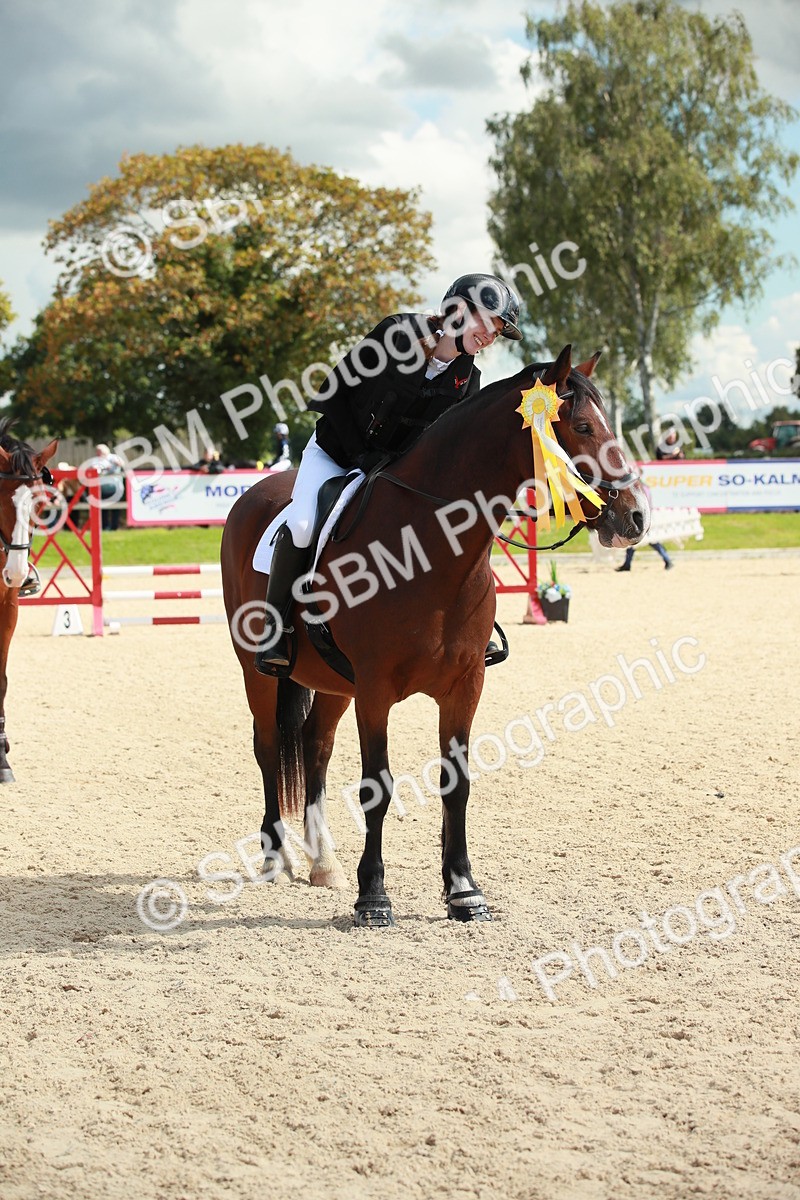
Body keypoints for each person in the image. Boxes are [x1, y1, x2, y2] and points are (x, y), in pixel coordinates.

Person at [254, 273, 522, 675]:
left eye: (497, 332)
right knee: (305, 524)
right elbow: (333, 393)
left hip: (393, 472)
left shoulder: (470, 381)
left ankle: (468, 627)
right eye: (487, 323)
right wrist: (361, 454)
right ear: (458, 310)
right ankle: (274, 629)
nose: (490, 336)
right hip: (336, 453)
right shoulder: (396, 334)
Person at [92, 443, 126, 532]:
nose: (98, 453)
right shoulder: (96, 460)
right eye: (97, 451)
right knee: (103, 508)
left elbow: (122, 464)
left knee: (115, 508)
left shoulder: (113, 457)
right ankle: (105, 526)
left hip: (116, 487)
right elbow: (94, 470)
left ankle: (114, 527)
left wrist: (115, 463)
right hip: (102, 488)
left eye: (99, 451)